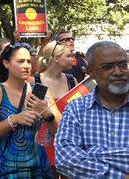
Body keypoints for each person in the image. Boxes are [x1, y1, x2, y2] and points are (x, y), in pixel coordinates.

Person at [0, 43, 58, 178]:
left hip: (38, 166)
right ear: (6, 63)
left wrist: (47, 114)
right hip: (6, 167)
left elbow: (61, 132)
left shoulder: (41, 92)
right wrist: (13, 120)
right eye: (20, 61)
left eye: (28, 61)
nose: (26, 65)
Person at [55, 41, 128, 178]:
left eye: (123, 65)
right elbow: (65, 160)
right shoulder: (76, 109)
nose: (118, 72)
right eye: (108, 67)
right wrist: (121, 176)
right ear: (91, 72)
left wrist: (93, 152)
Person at [32, 41, 76, 178]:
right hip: (42, 143)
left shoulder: (71, 80)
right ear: (56, 58)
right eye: (69, 56)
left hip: (67, 143)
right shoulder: (35, 81)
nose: (72, 59)